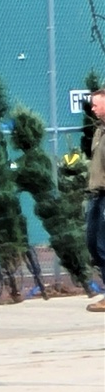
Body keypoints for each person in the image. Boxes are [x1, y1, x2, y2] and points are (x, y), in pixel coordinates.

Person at [84, 90, 105, 313]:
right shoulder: (99, 130)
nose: (92, 108)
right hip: (96, 194)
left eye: (96, 105)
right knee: (93, 243)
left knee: (102, 243)